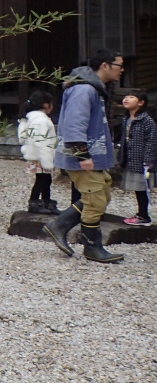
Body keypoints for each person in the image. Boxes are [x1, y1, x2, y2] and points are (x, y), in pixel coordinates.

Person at [47, 49, 126, 263]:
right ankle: (92, 247)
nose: (122, 69)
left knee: (103, 191)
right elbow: (74, 125)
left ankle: (60, 224)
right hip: (81, 156)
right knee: (95, 200)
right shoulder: (84, 90)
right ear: (105, 65)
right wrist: (82, 155)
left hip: (92, 155)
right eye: (119, 65)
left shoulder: (94, 89)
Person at [118, 90, 157, 227]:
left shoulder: (147, 120)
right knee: (137, 188)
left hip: (142, 161)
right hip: (131, 159)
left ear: (141, 103)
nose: (126, 99)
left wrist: (149, 161)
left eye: (131, 97)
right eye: (125, 96)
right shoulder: (126, 118)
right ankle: (140, 213)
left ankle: (143, 215)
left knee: (142, 188)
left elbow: (152, 141)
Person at [17, 90, 58, 215]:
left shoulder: (30, 118)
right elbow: (41, 141)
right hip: (42, 156)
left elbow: (23, 138)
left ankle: (46, 201)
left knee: (45, 180)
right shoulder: (41, 120)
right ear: (46, 105)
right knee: (41, 180)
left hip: (37, 154)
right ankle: (34, 202)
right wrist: (47, 160)